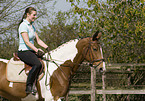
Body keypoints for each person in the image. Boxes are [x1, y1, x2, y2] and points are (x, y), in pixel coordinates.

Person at [17, 7, 50, 94]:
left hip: (31, 50)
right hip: (23, 51)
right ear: (28, 14)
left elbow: (38, 40)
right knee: (37, 64)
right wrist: (37, 50)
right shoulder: (23, 26)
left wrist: (47, 48)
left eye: (36, 15)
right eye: (34, 15)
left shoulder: (32, 26)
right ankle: (29, 86)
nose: (35, 17)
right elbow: (27, 42)